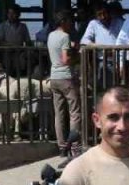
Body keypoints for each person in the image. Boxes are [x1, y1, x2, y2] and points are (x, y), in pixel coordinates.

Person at [48, 10, 83, 155]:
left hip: (54, 77)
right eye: (69, 21)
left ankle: (62, 146)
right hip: (66, 77)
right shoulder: (65, 36)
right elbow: (65, 59)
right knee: (75, 113)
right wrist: (77, 56)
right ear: (63, 21)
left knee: (59, 113)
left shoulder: (51, 35)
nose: (71, 24)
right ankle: (75, 146)